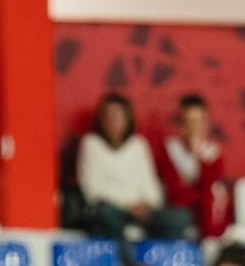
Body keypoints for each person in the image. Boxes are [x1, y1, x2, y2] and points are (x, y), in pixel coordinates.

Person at [72, 95, 191, 241]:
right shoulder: (90, 144)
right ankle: (128, 261)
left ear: (128, 118)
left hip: (142, 212)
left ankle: (154, 260)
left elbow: (150, 184)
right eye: (108, 116)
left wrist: (146, 205)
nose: (113, 121)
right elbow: (92, 190)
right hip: (111, 212)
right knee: (106, 214)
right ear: (100, 119)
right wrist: (128, 206)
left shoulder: (138, 145)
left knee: (181, 217)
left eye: (117, 116)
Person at [161, 93, 230, 242]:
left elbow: (209, 187)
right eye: (189, 122)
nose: (195, 128)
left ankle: (212, 244)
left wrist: (198, 157)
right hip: (179, 211)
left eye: (199, 122)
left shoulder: (213, 154)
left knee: (214, 196)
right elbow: (175, 193)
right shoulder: (170, 150)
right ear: (181, 124)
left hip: (206, 215)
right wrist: (198, 191)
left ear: (207, 123)